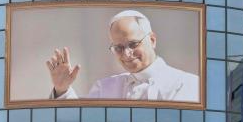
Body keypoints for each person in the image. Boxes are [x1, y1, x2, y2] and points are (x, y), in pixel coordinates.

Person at [46, 10, 200, 102]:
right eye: (118, 48)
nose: (127, 54)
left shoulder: (186, 84)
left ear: (152, 40)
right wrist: (62, 90)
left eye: (133, 44)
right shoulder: (103, 88)